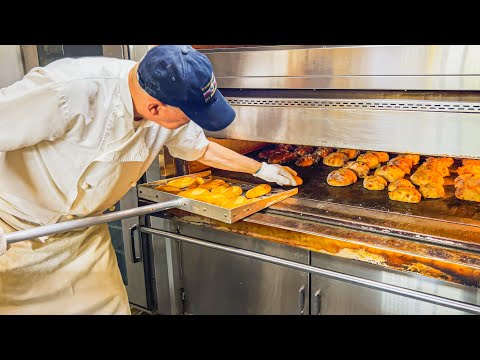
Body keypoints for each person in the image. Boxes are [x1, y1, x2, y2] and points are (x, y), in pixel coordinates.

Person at [0, 45, 297, 314]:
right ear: (155, 108)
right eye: (188, 116)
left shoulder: (164, 106)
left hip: (81, 235)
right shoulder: (67, 90)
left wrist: (258, 169)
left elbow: (200, 148)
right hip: (14, 233)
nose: (192, 123)